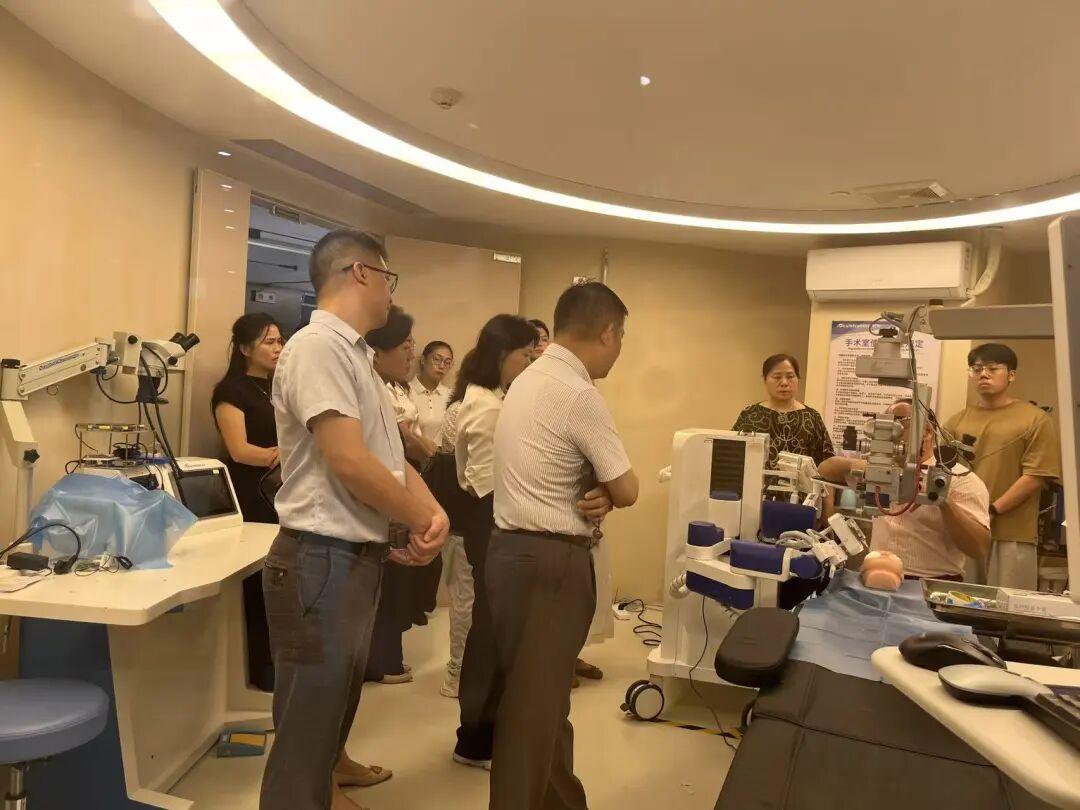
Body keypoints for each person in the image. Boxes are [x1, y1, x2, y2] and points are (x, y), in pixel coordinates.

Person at [260, 228, 447, 810]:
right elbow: (348, 460)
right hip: (319, 557)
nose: (392, 293)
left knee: (334, 706)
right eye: (389, 279)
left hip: (349, 557)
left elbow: (389, 456)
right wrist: (417, 518)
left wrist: (430, 513)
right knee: (306, 728)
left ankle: (329, 788)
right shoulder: (318, 347)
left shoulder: (357, 356)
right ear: (361, 272)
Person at [488, 282, 638, 810]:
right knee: (531, 715)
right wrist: (610, 492)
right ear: (607, 332)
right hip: (550, 563)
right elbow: (628, 488)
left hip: (510, 553)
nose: (619, 350)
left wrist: (598, 491)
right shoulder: (578, 394)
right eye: (622, 338)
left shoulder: (528, 378)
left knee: (542, 703)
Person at [450, 314, 539, 760]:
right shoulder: (486, 406)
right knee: (489, 631)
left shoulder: (493, 397)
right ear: (504, 354)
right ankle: (475, 736)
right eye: (526, 355)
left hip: (495, 519)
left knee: (497, 628)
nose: (529, 363)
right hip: (491, 522)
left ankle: (488, 728)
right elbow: (484, 481)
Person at [819, 399, 991, 580]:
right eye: (885, 424)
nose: (891, 431)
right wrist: (865, 467)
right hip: (878, 576)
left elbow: (978, 548)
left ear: (927, 431)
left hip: (931, 581)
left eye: (900, 423)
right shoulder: (877, 471)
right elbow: (825, 470)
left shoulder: (960, 479)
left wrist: (942, 501)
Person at [365, 306, 441, 685]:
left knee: (393, 587)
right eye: (404, 346)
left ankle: (384, 659)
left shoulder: (389, 387)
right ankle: (381, 661)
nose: (411, 353)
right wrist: (417, 515)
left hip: (400, 486)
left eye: (412, 345)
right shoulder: (367, 388)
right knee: (385, 587)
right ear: (376, 352)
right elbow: (375, 457)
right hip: (377, 501)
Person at [944, 344, 1061, 589]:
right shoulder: (956, 421)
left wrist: (992, 510)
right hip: (966, 532)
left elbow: (1035, 476)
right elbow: (944, 473)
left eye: (992, 368)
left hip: (1012, 534)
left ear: (1011, 375)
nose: (983, 374)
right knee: (960, 603)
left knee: (1009, 607)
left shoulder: (1035, 419)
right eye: (976, 369)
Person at [211, 312, 284, 693]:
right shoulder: (231, 391)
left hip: (282, 490)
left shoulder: (276, 387)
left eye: (280, 340)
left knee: (280, 579)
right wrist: (284, 453)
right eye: (269, 341)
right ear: (244, 348)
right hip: (251, 493)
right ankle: (262, 667)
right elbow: (239, 450)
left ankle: (280, 659)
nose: (278, 348)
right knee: (257, 580)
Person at [733, 354, 834, 467]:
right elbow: (732, 454)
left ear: (797, 379)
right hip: (755, 479)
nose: (784, 383)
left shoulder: (812, 416)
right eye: (777, 377)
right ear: (765, 380)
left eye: (790, 377)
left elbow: (826, 462)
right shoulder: (750, 414)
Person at [408, 341, 453, 445]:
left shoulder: (451, 396)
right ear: (423, 360)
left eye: (447, 362)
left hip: (443, 454)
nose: (442, 366)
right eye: (437, 359)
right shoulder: (405, 392)